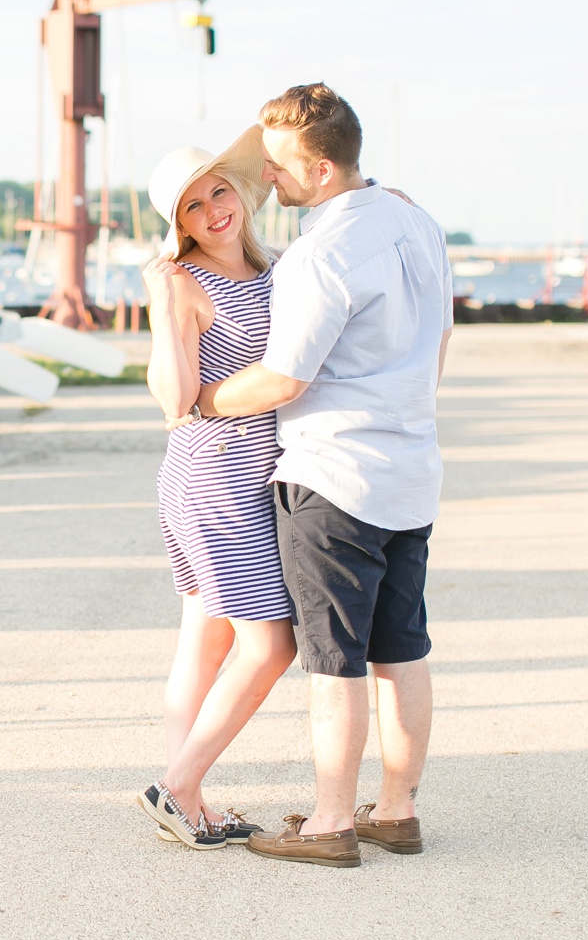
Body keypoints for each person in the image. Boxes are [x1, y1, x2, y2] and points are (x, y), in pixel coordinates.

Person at [176, 84, 452, 868]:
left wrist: (199, 398)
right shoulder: (418, 222)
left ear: (322, 168)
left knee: (334, 660)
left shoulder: (318, 253)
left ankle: (331, 821)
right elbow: (438, 350)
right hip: (411, 470)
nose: (268, 178)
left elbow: (282, 379)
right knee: (402, 648)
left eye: (280, 165)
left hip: (334, 480)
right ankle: (395, 810)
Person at [132, 127, 299, 850]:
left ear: (241, 191)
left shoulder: (280, 268)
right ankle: (179, 787)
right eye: (193, 208)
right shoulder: (186, 284)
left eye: (218, 191)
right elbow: (173, 399)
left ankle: (188, 804)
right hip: (216, 478)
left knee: (203, 643)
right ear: (180, 227)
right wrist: (165, 304)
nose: (212, 211)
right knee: (271, 645)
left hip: (246, 475)